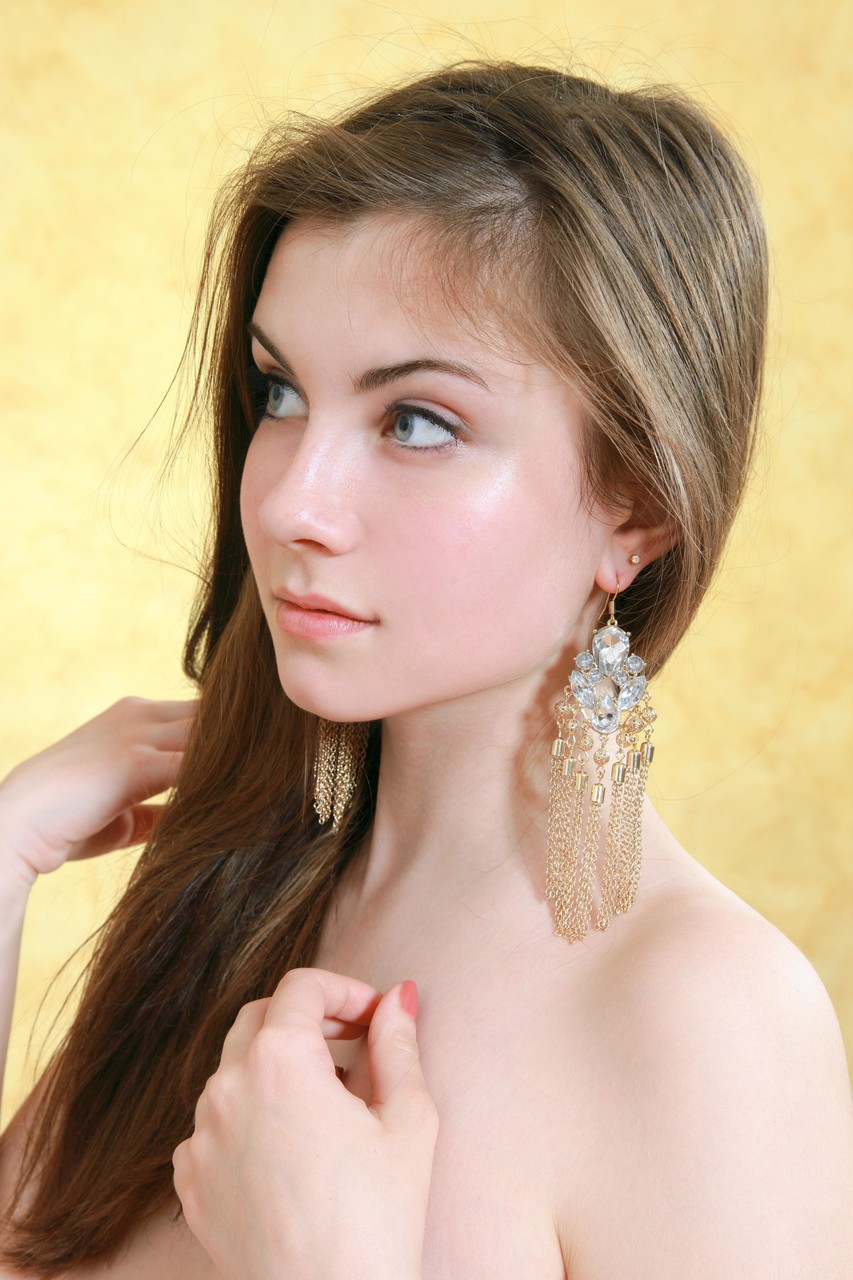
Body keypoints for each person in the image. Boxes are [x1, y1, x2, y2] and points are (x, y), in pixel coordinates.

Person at [0, 56, 851, 1280]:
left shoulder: (704, 1017)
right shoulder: (226, 891)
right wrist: (10, 850)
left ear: (637, 509)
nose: (292, 499)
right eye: (281, 391)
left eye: (414, 421)